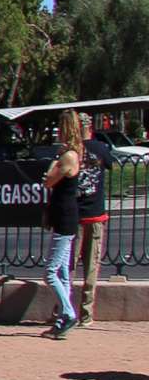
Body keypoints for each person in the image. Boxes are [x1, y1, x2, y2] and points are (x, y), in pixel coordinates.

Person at [39, 110, 84, 341]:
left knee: (50, 272)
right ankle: (62, 318)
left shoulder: (68, 156)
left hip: (65, 218)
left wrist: (54, 161)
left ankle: (67, 312)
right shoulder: (71, 153)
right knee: (64, 272)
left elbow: (49, 180)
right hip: (62, 217)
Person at [71, 111, 112, 327]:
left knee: (69, 265)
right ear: (91, 127)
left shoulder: (71, 151)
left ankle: (64, 310)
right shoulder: (101, 149)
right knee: (90, 266)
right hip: (95, 214)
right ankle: (85, 314)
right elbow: (111, 163)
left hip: (76, 215)